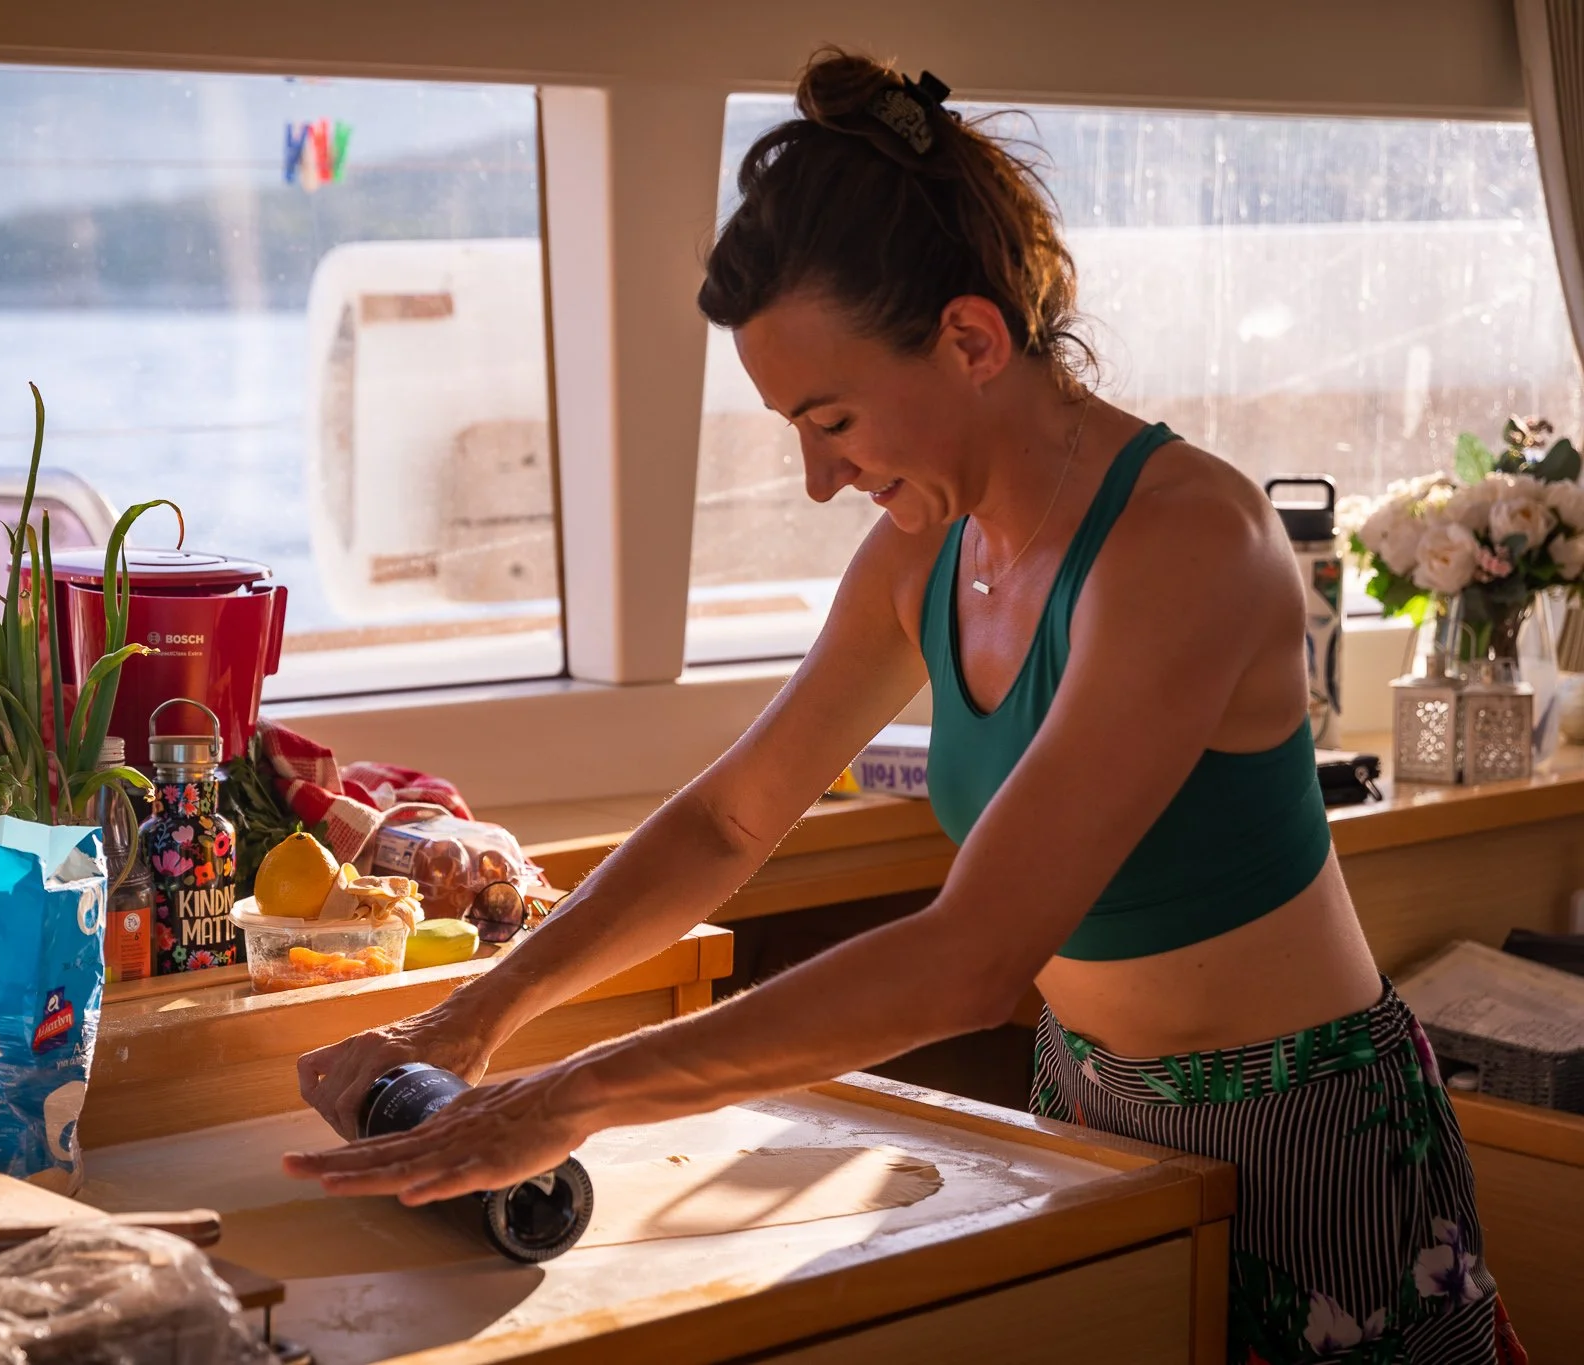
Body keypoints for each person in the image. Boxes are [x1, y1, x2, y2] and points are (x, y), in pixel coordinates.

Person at [283, 49, 1525, 1365]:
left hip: (1309, 1135)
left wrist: (567, 1099)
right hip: (1088, 1110)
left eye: (833, 419)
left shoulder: (1187, 543)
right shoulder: (924, 554)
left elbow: (969, 956)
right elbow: (726, 822)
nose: (819, 478)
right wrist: (469, 1019)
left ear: (971, 340)